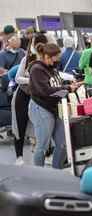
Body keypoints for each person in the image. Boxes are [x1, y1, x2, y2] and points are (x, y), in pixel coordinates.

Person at [28, 43, 80, 169]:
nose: (57, 60)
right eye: (55, 58)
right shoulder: (37, 70)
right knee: (42, 146)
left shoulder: (52, 68)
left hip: (53, 109)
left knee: (63, 143)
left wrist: (68, 85)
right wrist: (66, 88)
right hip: (41, 109)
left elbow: (56, 84)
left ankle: (55, 172)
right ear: (46, 56)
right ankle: (38, 174)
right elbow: (45, 91)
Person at [12, 33, 48, 165]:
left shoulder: (48, 60)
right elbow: (17, 78)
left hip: (38, 97)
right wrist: (33, 80)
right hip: (23, 95)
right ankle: (19, 156)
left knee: (40, 126)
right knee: (20, 126)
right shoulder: (27, 59)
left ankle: (39, 153)